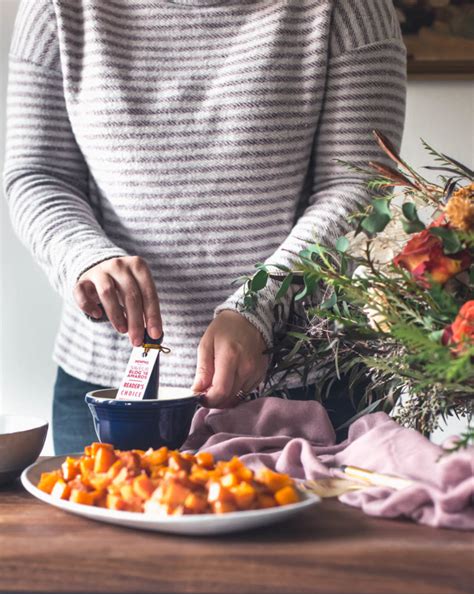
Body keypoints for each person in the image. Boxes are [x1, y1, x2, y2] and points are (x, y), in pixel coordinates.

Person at [4, 0, 406, 454]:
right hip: (110, 392)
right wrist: (84, 255)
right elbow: (37, 174)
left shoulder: (347, 8)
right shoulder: (57, 8)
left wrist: (261, 304)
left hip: (303, 384)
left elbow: (357, 186)